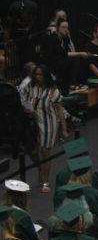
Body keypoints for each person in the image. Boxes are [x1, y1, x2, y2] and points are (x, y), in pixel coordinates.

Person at [21, 64, 67, 193]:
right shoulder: (31, 88)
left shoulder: (53, 90)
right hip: (34, 124)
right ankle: (41, 169)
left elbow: (60, 111)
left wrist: (64, 129)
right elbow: (23, 99)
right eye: (36, 74)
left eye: (41, 74)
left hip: (49, 124)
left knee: (46, 153)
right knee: (34, 151)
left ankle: (45, 182)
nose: (38, 77)